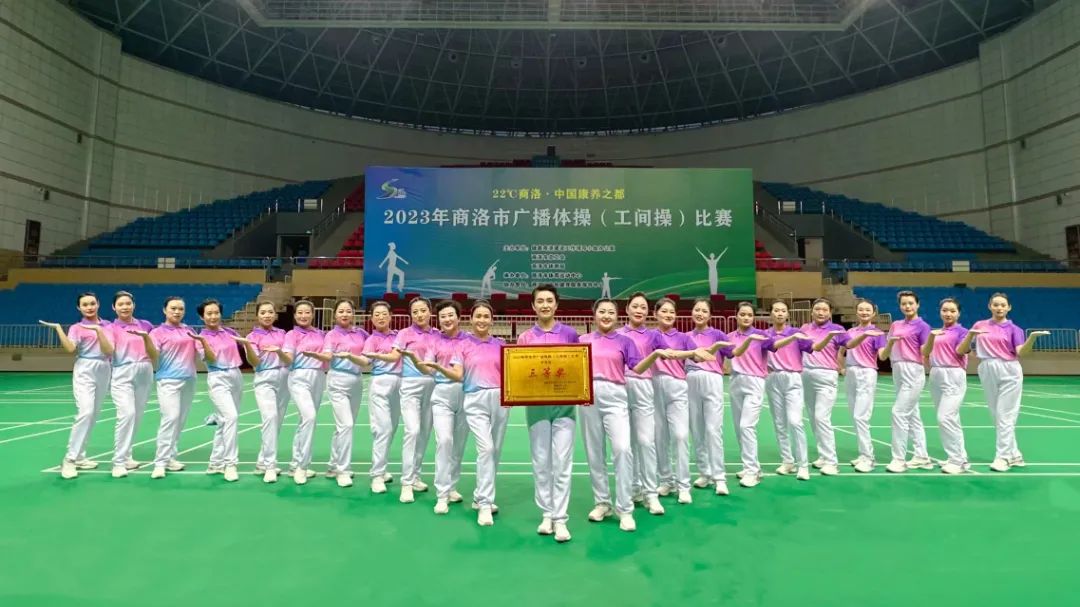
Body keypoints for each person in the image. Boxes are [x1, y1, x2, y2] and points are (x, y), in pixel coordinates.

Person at [579, 298, 665, 532]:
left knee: (623, 449)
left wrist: (656, 354)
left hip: (616, 395)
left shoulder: (625, 341)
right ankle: (602, 503)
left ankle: (625, 508)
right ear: (594, 314)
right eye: (602, 311)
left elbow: (638, 368)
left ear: (617, 316)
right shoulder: (582, 341)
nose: (606, 316)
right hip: (588, 397)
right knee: (595, 452)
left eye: (611, 312)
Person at [422, 301, 506, 527]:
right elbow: (457, 373)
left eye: (486, 316)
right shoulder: (462, 345)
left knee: (484, 449)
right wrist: (435, 367)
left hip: (495, 399)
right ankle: (443, 494)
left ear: (492, 320)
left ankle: (479, 497)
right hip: (466, 397)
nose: (482, 320)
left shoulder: (501, 344)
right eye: (478, 316)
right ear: (471, 319)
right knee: (449, 442)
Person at [517, 284, 579, 543]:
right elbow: (519, 374)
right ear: (533, 306)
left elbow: (578, 368)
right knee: (541, 462)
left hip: (565, 407)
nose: (545, 305)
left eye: (549, 300)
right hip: (537, 408)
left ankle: (561, 519)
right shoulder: (524, 338)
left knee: (562, 463)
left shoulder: (570, 334)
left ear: (556, 304)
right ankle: (547, 514)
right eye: (540, 301)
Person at [128, 296, 212, 479]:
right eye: (173, 308)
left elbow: (202, 352)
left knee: (180, 421)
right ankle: (160, 462)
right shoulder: (157, 333)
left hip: (189, 380)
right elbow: (153, 355)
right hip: (168, 380)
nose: (177, 312)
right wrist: (146, 339)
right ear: (164, 310)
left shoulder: (189, 331)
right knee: (170, 418)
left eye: (180, 309)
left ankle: (170, 457)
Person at [370, 297, 439, 503]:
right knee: (412, 431)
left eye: (423, 310)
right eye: (415, 312)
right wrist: (375, 356)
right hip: (410, 385)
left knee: (424, 433)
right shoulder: (404, 334)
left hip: (432, 386)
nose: (419, 314)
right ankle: (405, 482)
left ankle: (415, 475)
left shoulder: (437, 334)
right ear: (410, 315)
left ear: (430, 312)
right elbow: (394, 356)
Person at [970, 293, 1049, 472]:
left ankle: (1003, 457)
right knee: (996, 415)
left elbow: (1021, 352)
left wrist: (1032, 338)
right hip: (987, 368)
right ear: (989, 306)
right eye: (996, 304)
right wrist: (980, 357)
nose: (999, 308)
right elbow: (968, 345)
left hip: (1009, 370)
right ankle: (1015, 455)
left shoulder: (1015, 329)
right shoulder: (979, 325)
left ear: (1009, 307)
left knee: (1005, 415)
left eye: (1003, 305)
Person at [40, 292, 114, 479]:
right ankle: (69, 459)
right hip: (85, 368)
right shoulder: (76, 328)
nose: (89, 307)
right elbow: (70, 348)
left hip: (104, 367)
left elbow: (109, 350)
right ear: (78, 308)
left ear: (98, 304)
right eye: (85, 305)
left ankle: (80, 456)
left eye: (92, 303)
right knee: (86, 412)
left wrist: (99, 331)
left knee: (93, 415)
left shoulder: (108, 326)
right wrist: (59, 329)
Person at [651, 297, 715, 505]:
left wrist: (705, 353)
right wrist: (692, 352)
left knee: (680, 436)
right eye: (664, 311)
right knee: (659, 437)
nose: (668, 315)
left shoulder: (683, 338)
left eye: (672, 312)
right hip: (654, 387)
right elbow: (667, 354)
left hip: (678, 387)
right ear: (655, 314)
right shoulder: (650, 336)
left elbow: (698, 357)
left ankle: (683, 485)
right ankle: (666, 480)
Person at [307, 299, 369, 488]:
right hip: (338, 380)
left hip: (357, 380)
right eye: (341, 311)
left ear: (353, 313)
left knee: (344, 427)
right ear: (335, 315)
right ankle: (343, 470)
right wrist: (316, 356)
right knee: (346, 425)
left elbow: (370, 352)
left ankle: (333, 465)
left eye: (348, 311)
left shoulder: (361, 333)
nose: (345, 314)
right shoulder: (331, 335)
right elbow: (327, 355)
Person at [617, 293, 666, 515]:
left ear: (648, 312)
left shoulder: (654, 335)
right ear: (627, 309)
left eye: (643, 307)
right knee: (625, 445)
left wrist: (693, 353)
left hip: (644, 387)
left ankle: (651, 494)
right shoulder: (617, 335)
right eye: (635, 306)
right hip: (620, 388)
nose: (639, 310)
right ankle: (632, 489)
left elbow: (670, 353)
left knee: (646, 441)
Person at [420, 300, 471, 514]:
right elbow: (428, 369)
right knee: (444, 441)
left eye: (451, 315)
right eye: (443, 316)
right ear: (438, 320)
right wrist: (419, 363)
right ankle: (441, 494)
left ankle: (452, 487)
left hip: (466, 394)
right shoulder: (434, 342)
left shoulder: (469, 340)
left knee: (458, 445)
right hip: (441, 394)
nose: (447, 319)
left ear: (458, 317)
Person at [233, 301, 290, 483]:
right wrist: (248, 346)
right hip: (265, 378)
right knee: (270, 418)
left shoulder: (283, 334)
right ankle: (270, 465)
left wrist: (279, 352)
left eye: (270, 312)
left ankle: (262, 461)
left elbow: (288, 359)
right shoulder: (252, 336)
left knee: (277, 422)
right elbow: (254, 362)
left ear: (275, 315)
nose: (267, 315)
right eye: (263, 312)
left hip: (284, 378)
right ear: (257, 316)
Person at [684, 298, 734, 495]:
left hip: (712, 380)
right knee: (697, 430)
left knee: (713, 430)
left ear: (710, 315)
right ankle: (704, 472)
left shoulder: (718, 334)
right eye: (697, 310)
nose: (700, 314)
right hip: (690, 380)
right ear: (692, 312)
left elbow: (733, 352)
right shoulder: (685, 337)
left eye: (704, 311)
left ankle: (719, 477)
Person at [882, 291, 933, 473]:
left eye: (911, 303)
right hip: (897, 369)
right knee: (912, 415)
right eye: (904, 303)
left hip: (913, 369)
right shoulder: (895, 325)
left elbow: (925, 351)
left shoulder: (923, 326)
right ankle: (921, 456)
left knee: (899, 412)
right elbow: (887, 349)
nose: (907, 306)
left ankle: (899, 459)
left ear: (917, 305)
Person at [106, 291, 154, 478]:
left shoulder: (146, 325)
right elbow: (108, 349)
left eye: (128, 303)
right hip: (122, 372)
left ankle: (127, 456)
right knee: (127, 414)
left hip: (145, 371)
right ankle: (118, 462)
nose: (125, 307)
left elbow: (155, 347)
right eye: (120, 304)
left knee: (137, 416)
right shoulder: (110, 328)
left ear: (134, 305)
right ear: (114, 307)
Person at [799, 298, 848, 476]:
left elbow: (850, 346)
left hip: (826, 375)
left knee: (821, 417)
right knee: (813, 418)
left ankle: (831, 461)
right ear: (812, 311)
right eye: (817, 309)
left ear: (830, 312)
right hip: (806, 375)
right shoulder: (805, 329)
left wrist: (845, 367)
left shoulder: (837, 329)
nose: (821, 312)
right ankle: (823, 455)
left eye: (825, 309)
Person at [763, 300, 812, 481]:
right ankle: (787, 461)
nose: (779, 313)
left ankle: (803, 465)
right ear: (771, 313)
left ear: (788, 314)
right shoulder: (765, 335)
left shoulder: (797, 333)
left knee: (795, 421)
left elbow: (812, 347)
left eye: (783, 311)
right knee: (779, 422)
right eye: (776, 310)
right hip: (773, 378)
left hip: (793, 378)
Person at [925, 298, 973, 475]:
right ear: (940, 312)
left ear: (958, 313)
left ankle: (957, 461)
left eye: (952, 311)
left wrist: (971, 336)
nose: (948, 314)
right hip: (936, 374)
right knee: (951, 419)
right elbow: (926, 352)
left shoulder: (962, 332)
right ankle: (959, 457)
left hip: (953, 374)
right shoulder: (937, 332)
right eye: (945, 310)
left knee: (945, 417)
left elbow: (963, 350)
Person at [727, 302, 772, 489]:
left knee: (747, 426)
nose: (746, 317)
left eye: (749, 315)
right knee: (739, 427)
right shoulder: (730, 337)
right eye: (742, 314)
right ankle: (750, 467)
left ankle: (753, 471)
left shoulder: (761, 336)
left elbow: (775, 345)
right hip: (736, 381)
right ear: (736, 316)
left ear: (753, 317)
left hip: (754, 381)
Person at [838, 299, 886, 472]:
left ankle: (869, 457)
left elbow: (882, 356)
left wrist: (890, 345)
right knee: (854, 416)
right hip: (851, 373)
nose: (864, 312)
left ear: (873, 313)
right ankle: (862, 454)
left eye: (867, 310)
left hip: (867, 373)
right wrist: (841, 368)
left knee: (861, 416)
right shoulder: (850, 332)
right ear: (856, 312)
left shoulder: (878, 333)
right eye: (861, 309)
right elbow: (841, 351)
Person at [199, 298, 243, 483]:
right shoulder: (200, 338)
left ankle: (215, 462)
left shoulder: (230, 332)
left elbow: (244, 347)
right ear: (202, 317)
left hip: (236, 375)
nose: (213, 316)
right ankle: (230, 463)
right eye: (209, 313)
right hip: (218, 377)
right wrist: (204, 342)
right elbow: (210, 359)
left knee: (224, 421)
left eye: (216, 313)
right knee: (231, 417)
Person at [283, 300, 326, 485]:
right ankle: (302, 466)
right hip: (299, 377)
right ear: (295, 315)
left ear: (312, 314)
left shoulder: (321, 334)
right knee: (310, 417)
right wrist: (280, 354)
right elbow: (288, 358)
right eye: (299, 312)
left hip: (318, 377)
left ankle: (295, 463)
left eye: (307, 312)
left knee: (304, 421)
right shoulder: (291, 335)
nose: (303, 315)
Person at [361, 300, 401, 493]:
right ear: (371, 318)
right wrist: (350, 357)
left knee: (391, 429)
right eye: (376, 314)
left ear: (390, 316)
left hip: (399, 385)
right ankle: (376, 475)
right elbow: (364, 360)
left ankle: (382, 469)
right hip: (380, 384)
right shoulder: (371, 340)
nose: (381, 317)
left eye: (384, 313)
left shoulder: (398, 336)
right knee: (383, 429)